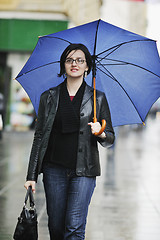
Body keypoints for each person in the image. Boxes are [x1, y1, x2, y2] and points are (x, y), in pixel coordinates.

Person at [24, 43, 115, 240]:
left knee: (74, 227)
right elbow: (39, 136)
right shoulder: (48, 97)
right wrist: (31, 176)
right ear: (63, 65)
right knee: (56, 226)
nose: (74, 64)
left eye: (80, 60)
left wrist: (100, 133)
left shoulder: (97, 98)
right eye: (69, 60)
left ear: (87, 66)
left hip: (84, 171)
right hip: (53, 169)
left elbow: (110, 136)